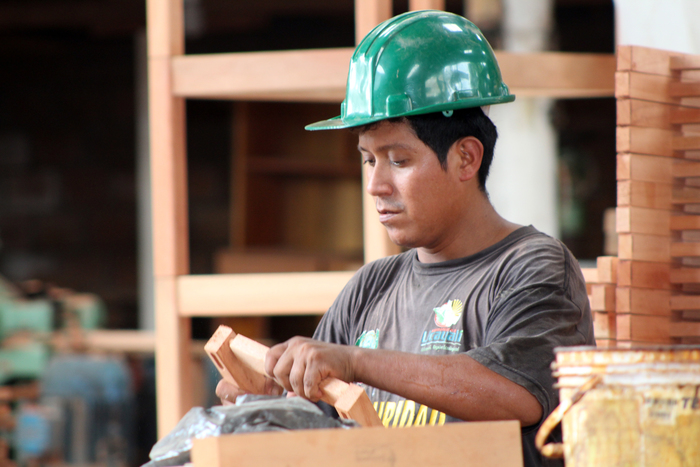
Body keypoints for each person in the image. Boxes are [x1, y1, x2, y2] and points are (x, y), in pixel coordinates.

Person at [216, 10, 593, 467]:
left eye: (397, 159)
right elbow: (317, 428)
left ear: (465, 159)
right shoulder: (370, 288)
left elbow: (516, 394)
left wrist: (354, 362)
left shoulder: (533, 266)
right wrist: (267, 401)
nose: (375, 185)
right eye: (367, 160)